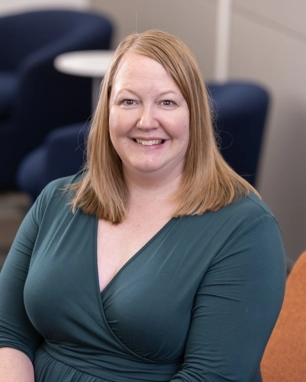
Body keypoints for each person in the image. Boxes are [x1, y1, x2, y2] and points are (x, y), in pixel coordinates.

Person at [0, 30, 286, 382]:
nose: (146, 121)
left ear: (194, 114)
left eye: (167, 102)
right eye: (128, 101)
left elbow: (213, 376)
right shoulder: (57, 200)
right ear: (107, 111)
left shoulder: (245, 228)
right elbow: (7, 332)